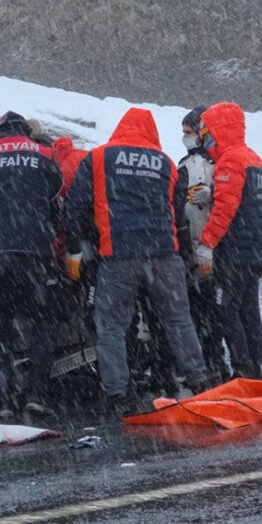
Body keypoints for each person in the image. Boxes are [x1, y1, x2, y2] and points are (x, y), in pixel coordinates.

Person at [64, 108, 219, 415]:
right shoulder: (165, 163)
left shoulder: (98, 158)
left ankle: (116, 393)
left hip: (118, 254)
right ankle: (199, 379)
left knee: (111, 326)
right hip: (164, 255)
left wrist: (75, 250)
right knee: (178, 320)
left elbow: (75, 207)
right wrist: (184, 256)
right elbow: (178, 215)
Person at [0, 111, 64, 417]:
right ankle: (36, 394)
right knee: (45, 320)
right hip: (33, 252)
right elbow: (57, 201)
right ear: (25, 132)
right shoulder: (45, 155)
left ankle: (6, 398)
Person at [195, 102, 262, 380]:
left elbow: (226, 209)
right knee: (251, 310)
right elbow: (245, 201)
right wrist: (214, 192)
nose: (204, 140)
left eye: (206, 133)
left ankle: (242, 368)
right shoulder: (254, 159)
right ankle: (255, 366)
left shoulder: (229, 161)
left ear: (217, 130)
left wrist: (207, 243)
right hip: (255, 249)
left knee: (228, 311)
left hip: (235, 252)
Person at [174, 106, 232, 381]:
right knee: (200, 311)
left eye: (188, 132)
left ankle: (217, 364)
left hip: (212, 245)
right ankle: (210, 365)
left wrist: (213, 195)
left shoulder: (217, 162)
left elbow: (232, 200)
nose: (184, 137)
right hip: (193, 246)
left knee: (213, 311)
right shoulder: (184, 165)